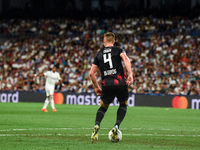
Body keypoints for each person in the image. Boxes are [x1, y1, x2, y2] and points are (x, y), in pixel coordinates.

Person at [90, 32, 133, 143]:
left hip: (107, 84)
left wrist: (96, 87)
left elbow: (91, 73)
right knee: (123, 104)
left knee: (103, 107)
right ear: (113, 41)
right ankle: (116, 126)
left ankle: (97, 125)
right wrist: (130, 74)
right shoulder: (118, 50)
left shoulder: (99, 54)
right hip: (120, 83)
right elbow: (126, 59)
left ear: (104, 41)